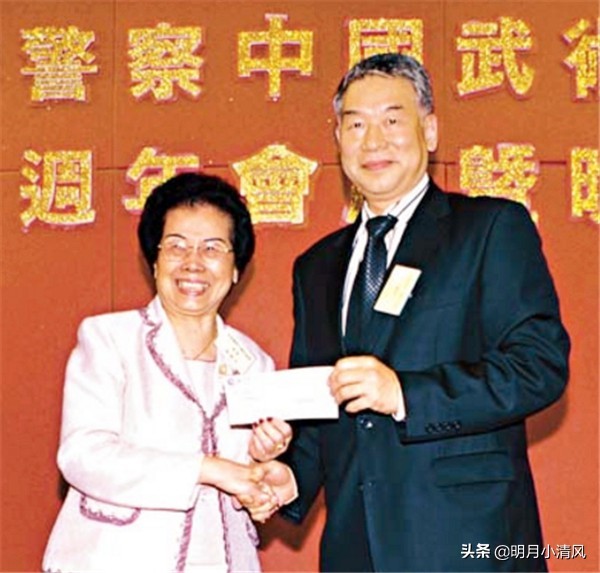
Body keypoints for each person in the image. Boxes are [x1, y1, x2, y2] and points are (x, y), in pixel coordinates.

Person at [276, 53, 571, 572]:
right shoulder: (316, 267)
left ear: (429, 131)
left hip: (468, 544)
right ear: (338, 139)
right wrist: (289, 477)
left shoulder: (490, 229)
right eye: (356, 125)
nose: (374, 141)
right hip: (356, 548)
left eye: (392, 120)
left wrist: (406, 395)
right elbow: (322, 403)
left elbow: (538, 366)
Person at [42, 172, 295, 573]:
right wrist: (208, 469)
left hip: (223, 560)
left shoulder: (254, 361)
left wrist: (265, 471)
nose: (193, 263)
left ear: (235, 268)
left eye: (212, 248)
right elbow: (83, 455)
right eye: (177, 246)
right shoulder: (110, 339)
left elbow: (241, 477)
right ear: (155, 259)